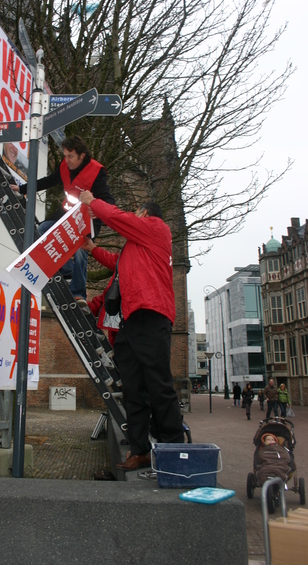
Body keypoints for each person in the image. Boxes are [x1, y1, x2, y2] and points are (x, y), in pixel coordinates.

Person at [79, 191, 185, 471]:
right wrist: (92, 250)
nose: (133, 218)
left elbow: (119, 218)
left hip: (151, 314)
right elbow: (117, 263)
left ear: (145, 214)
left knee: (158, 385)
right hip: (131, 320)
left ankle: (173, 448)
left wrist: (93, 202)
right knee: (133, 388)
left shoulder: (156, 228)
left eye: (136, 213)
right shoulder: (138, 248)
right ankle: (140, 451)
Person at [11, 135, 114, 303]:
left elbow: (108, 199)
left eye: (71, 156)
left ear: (82, 156)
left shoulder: (97, 171)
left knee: (80, 249)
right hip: (67, 212)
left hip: (87, 218)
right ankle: (67, 272)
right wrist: (23, 188)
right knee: (42, 229)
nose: (67, 160)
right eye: (65, 155)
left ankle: (78, 293)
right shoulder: (65, 166)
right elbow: (49, 181)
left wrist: (99, 209)